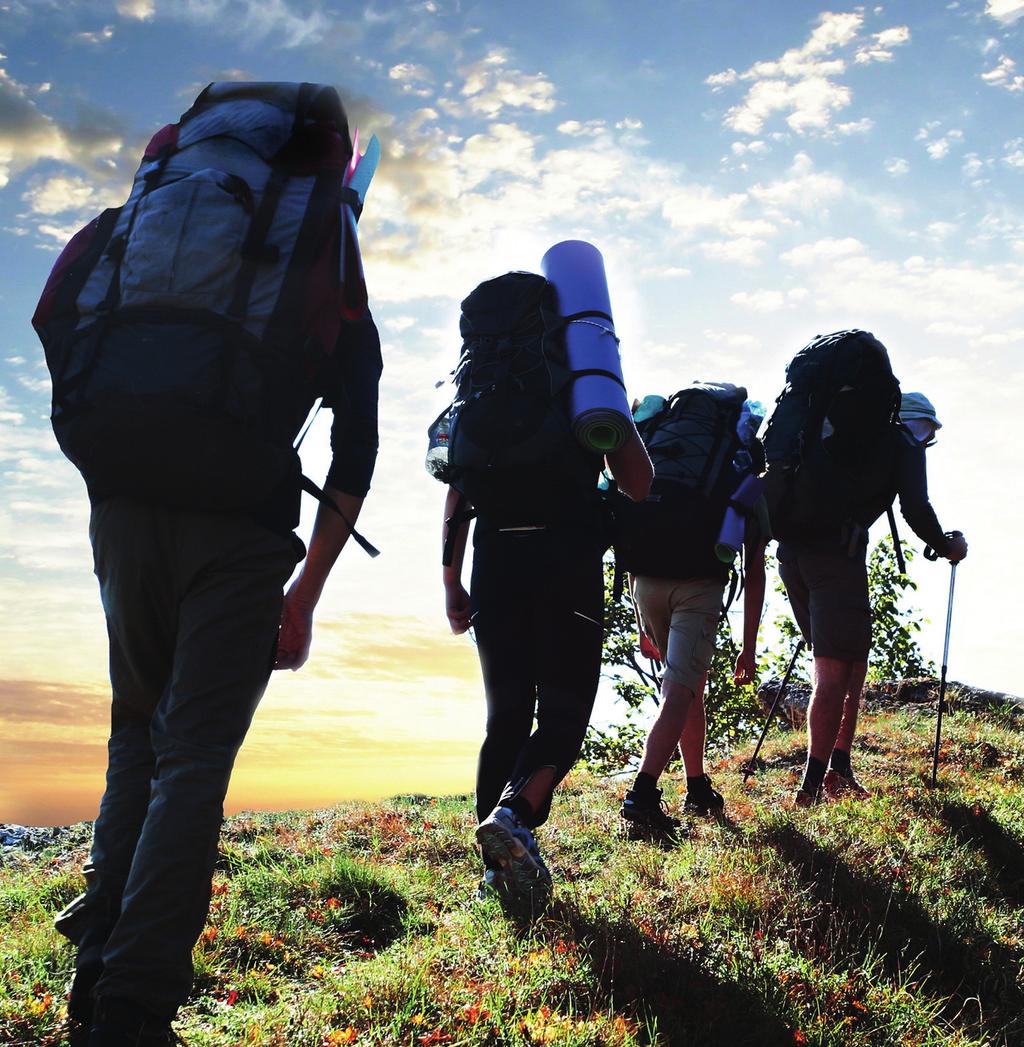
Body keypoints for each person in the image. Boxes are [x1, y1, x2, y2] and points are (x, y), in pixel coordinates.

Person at [42, 85, 382, 1047]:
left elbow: (56, 311)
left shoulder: (144, 219)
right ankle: (134, 1010)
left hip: (122, 508)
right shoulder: (323, 247)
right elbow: (356, 443)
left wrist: (119, 451)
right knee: (191, 762)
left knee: (134, 740)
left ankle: (95, 977)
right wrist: (305, 592)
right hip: (239, 530)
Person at [440, 272, 651, 909]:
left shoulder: (477, 389)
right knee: (561, 716)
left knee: (504, 718)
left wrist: (451, 582)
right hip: (567, 562)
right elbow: (639, 484)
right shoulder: (582, 387)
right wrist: (613, 413)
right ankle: (513, 819)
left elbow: (457, 493)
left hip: (494, 561)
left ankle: (496, 872)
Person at [779, 388, 967, 807]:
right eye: (926, 432)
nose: (925, 440)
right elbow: (915, 507)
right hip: (835, 558)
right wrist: (947, 545)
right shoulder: (901, 443)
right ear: (914, 424)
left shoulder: (837, 437)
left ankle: (839, 767)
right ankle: (812, 789)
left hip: (791, 554)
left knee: (852, 661)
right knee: (832, 673)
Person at [618, 388, 771, 835]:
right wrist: (748, 648)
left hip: (645, 582)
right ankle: (642, 794)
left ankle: (697, 784)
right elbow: (754, 570)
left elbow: (634, 529)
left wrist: (642, 619)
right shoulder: (738, 468)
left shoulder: (662, 450)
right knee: (679, 691)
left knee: (690, 688)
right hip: (697, 588)